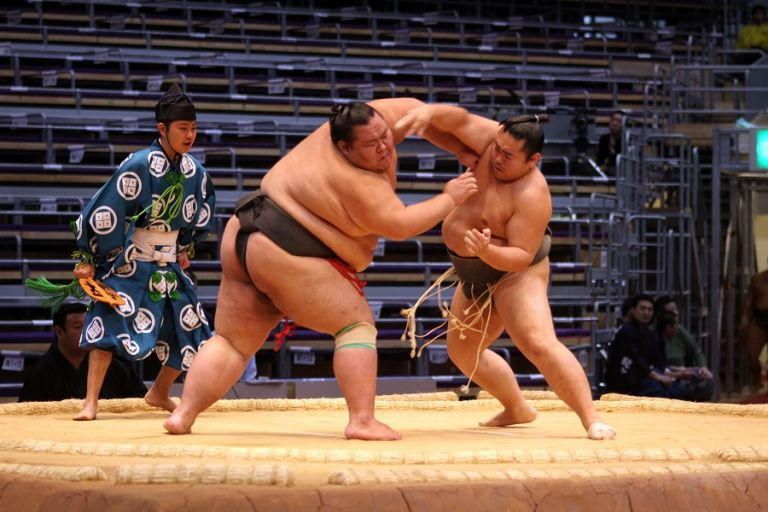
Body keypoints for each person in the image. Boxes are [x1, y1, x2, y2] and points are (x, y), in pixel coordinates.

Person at [164, 99, 479, 439]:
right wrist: (451, 197)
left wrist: (461, 149)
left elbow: (420, 112)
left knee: (233, 342)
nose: (384, 147)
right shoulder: (360, 184)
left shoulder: (366, 120)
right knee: (356, 324)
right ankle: (361, 420)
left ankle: (184, 414)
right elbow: (400, 225)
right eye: (371, 145)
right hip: (288, 250)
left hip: (245, 232)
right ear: (343, 147)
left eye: (385, 136)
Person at [395, 105, 615, 440]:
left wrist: (487, 250)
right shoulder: (492, 141)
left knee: (538, 341)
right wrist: (428, 115)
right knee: (463, 353)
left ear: (533, 160)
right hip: (474, 273)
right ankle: (516, 408)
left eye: (508, 155)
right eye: (496, 148)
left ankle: (591, 418)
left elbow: (520, 255)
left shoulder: (532, 194)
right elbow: (460, 120)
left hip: (517, 274)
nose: (496, 157)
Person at [71, 83, 216, 420]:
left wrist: (184, 246)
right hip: (133, 262)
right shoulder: (137, 163)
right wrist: (88, 257)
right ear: (162, 129)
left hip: (168, 264)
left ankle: (159, 392)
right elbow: (105, 208)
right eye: (183, 128)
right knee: (106, 322)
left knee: (193, 330)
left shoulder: (197, 172)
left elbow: (201, 213)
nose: (190, 135)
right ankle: (90, 401)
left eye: (194, 128)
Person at [18, 303, 147, 402]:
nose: (87, 332)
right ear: (59, 332)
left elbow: (140, 400)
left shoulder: (114, 366)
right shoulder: (41, 372)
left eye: (90, 325)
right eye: (78, 327)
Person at [607, 294, 684, 399]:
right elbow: (636, 360)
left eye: (649, 310)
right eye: (642, 309)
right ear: (633, 310)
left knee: (676, 389)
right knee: (657, 388)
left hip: (644, 377)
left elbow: (656, 361)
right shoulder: (626, 331)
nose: (646, 313)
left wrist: (668, 374)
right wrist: (658, 376)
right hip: (627, 380)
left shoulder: (649, 334)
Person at [655, 310, 714, 402]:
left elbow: (695, 350)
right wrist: (680, 374)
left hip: (674, 372)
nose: (678, 327)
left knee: (706, 376)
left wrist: (684, 369)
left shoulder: (674, 335)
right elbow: (656, 369)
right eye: (676, 324)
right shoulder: (655, 341)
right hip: (665, 378)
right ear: (668, 327)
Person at [738, 265, 768, 392]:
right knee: (752, 355)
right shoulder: (757, 279)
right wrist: (744, 320)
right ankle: (757, 380)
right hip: (759, 319)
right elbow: (749, 301)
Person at [596, 111, 623, 175]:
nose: (615, 123)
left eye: (619, 121)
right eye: (613, 120)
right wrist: (601, 166)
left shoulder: (626, 140)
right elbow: (599, 159)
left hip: (620, 173)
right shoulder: (604, 139)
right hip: (604, 173)